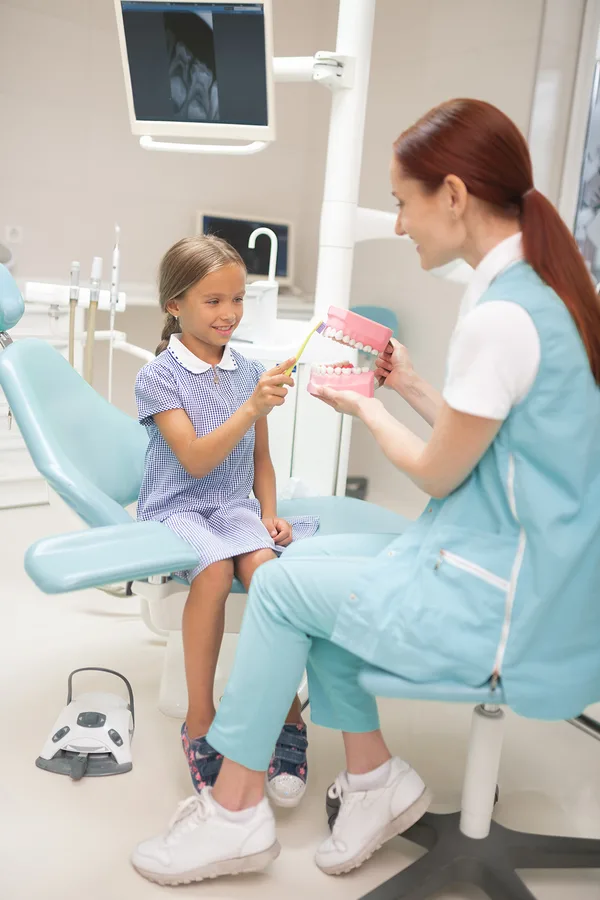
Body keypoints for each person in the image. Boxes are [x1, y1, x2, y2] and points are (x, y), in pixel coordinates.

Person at [131, 99, 600, 887]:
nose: (398, 222)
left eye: (401, 201)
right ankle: (377, 779)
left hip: (508, 593)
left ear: (451, 195)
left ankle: (235, 812)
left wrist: (366, 405)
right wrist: (412, 383)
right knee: (313, 582)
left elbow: (438, 472)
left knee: (280, 588)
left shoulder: (502, 315)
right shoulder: (543, 292)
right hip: (535, 570)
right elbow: (496, 441)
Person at [134, 235, 318, 807]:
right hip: (177, 506)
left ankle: (287, 713)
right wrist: (252, 407)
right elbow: (195, 459)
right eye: (213, 301)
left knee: (267, 572)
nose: (230, 313)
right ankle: (199, 721)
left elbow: (260, 460)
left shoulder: (248, 369)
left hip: (234, 506)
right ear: (175, 306)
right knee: (213, 573)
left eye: (236, 299)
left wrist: (268, 514)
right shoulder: (159, 376)